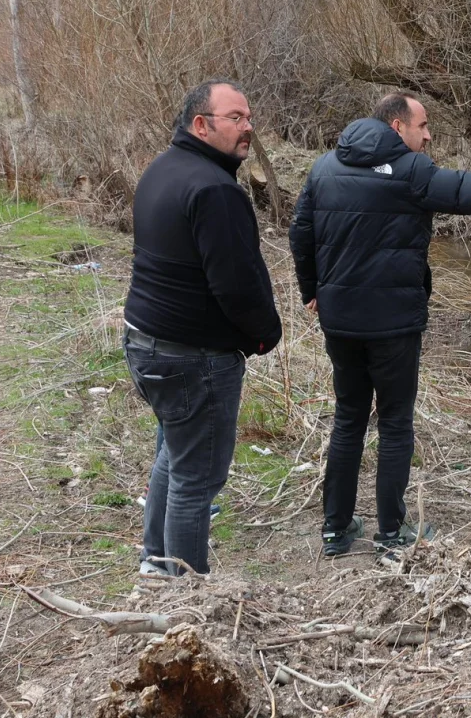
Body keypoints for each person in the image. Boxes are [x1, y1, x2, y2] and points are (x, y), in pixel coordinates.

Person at [290, 93, 471, 556]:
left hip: (341, 323)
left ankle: (335, 530)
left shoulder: (325, 167)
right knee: (393, 423)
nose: (428, 135)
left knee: (348, 419)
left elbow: (300, 231)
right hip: (393, 327)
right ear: (396, 126)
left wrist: (312, 288)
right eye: (422, 126)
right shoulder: (413, 173)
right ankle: (391, 533)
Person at [123, 80, 282, 575]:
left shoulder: (162, 169)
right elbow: (236, 285)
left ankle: (155, 563)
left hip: (144, 342)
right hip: (193, 358)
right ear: (201, 125)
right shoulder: (214, 190)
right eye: (236, 118)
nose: (247, 128)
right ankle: (186, 597)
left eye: (249, 118)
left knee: (175, 453)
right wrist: (264, 335)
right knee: (196, 479)